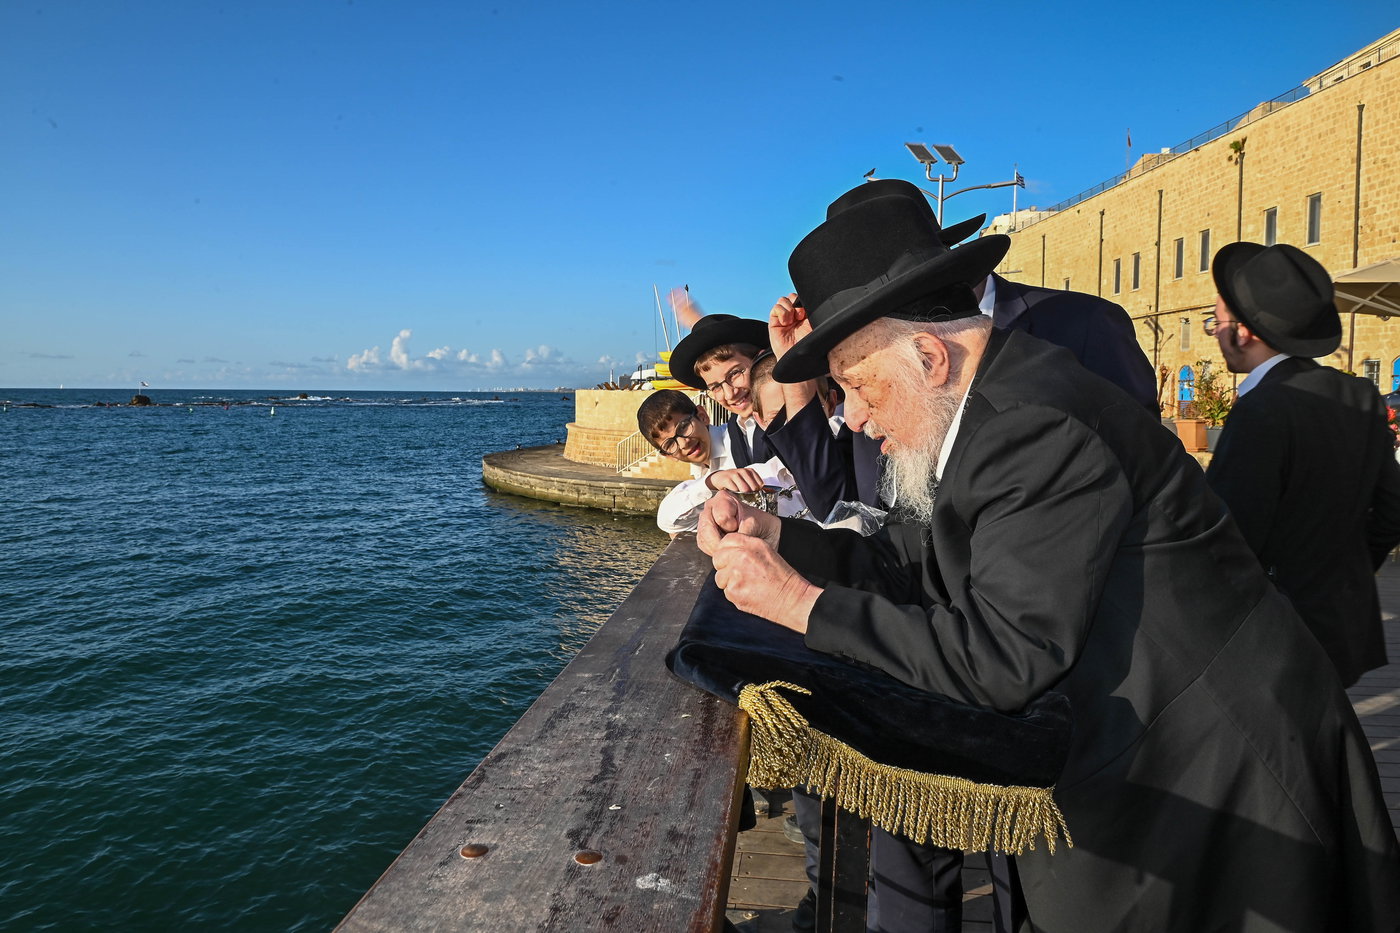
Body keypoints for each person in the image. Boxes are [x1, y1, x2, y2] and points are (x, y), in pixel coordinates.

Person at [695, 189, 1400, 931]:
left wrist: (799, 606)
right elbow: (909, 558)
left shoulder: (1033, 426)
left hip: (1216, 769)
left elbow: (1005, 655)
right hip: (1145, 749)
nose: (858, 418)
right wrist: (779, 538)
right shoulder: (984, 407)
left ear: (930, 356)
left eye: (860, 387)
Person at [1204, 242, 1400, 687]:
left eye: (1216, 322)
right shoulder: (1360, 396)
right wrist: (1335, 577)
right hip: (1342, 625)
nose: (1214, 333)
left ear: (1245, 331)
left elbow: (1231, 538)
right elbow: (1392, 512)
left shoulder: (1263, 409)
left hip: (1273, 635)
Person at [636, 389, 805, 535]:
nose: (683, 443)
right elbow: (668, 520)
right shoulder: (701, 473)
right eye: (670, 444)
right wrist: (712, 481)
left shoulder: (744, 439)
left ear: (702, 416)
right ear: (668, 455)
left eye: (683, 427)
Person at [669, 314, 772, 466]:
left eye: (735, 373)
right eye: (716, 387)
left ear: (760, 361)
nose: (730, 394)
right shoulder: (734, 432)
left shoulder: (793, 413)